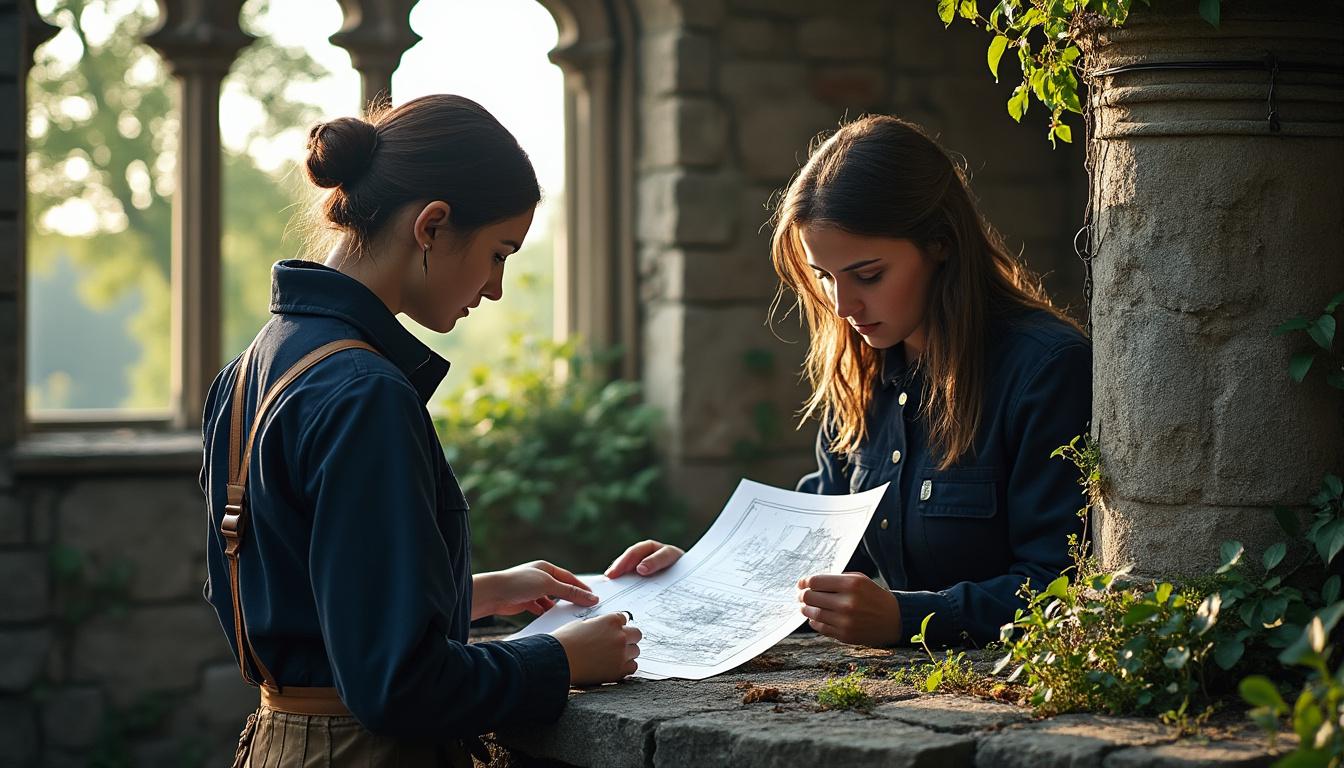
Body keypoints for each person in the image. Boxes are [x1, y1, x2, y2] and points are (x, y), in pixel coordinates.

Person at [200, 95, 640, 768]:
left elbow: (292, 604)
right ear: (432, 226)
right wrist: (558, 659)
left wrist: (479, 593)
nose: (495, 287)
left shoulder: (252, 367)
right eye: (498, 253)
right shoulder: (364, 393)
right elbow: (396, 688)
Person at [610, 115, 1090, 650]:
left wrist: (910, 619)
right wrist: (697, 576)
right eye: (823, 277)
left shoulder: (1046, 372)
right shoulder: (860, 373)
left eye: (868, 275)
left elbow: (1064, 586)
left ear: (941, 243)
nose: (843, 307)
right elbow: (808, 557)